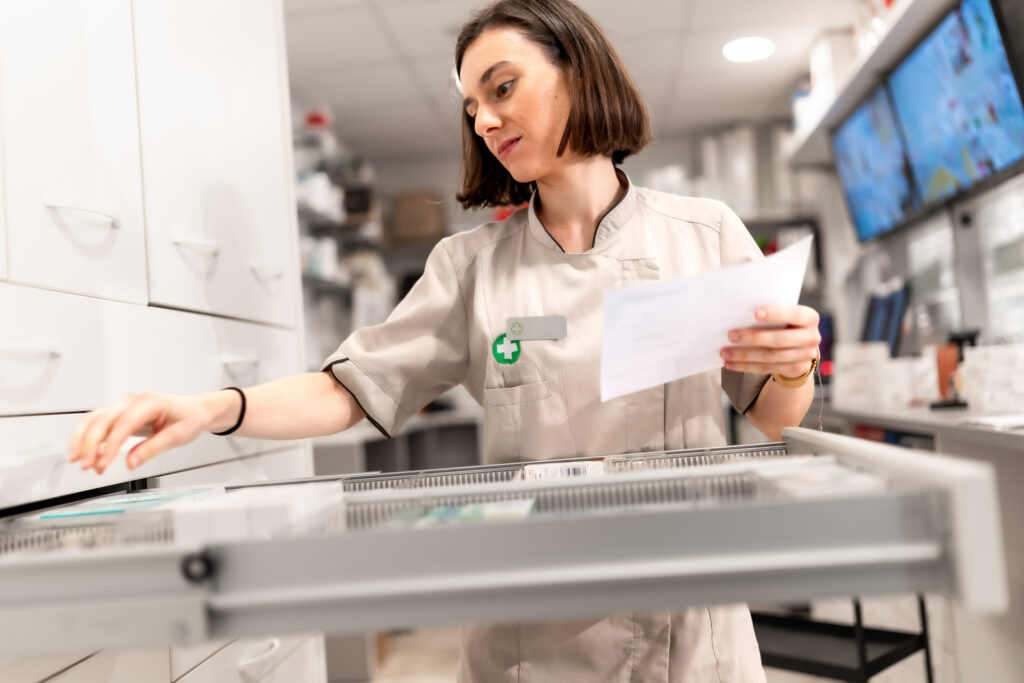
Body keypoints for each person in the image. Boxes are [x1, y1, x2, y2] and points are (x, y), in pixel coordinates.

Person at [69, 0, 821, 680]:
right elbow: (349, 389)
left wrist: (793, 367)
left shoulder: (705, 231)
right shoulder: (470, 267)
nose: (485, 121)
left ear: (578, 69)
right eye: (470, 108)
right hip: (533, 640)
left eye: (501, 88)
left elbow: (776, 417)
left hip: (688, 635)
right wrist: (214, 407)